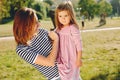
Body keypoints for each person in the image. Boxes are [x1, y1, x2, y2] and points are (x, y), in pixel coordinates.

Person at [13, 7, 61, 80]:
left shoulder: (41, 32)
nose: (39, 25)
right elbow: (50, 62)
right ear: (26, 26)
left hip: (70, 71)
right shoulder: (22, 49)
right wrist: (56, 40)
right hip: (58, 77)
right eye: (35, 23)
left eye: (38, 21)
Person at [55, 1, 82, 80]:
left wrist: (78, 59)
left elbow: (79, 46)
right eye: (60, 16)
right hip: (62, 59)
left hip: (71, 59)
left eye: (65, 15)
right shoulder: (58, 29)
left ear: (71, 15)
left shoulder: (72, 28)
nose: (63, 18)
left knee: (73, 77)